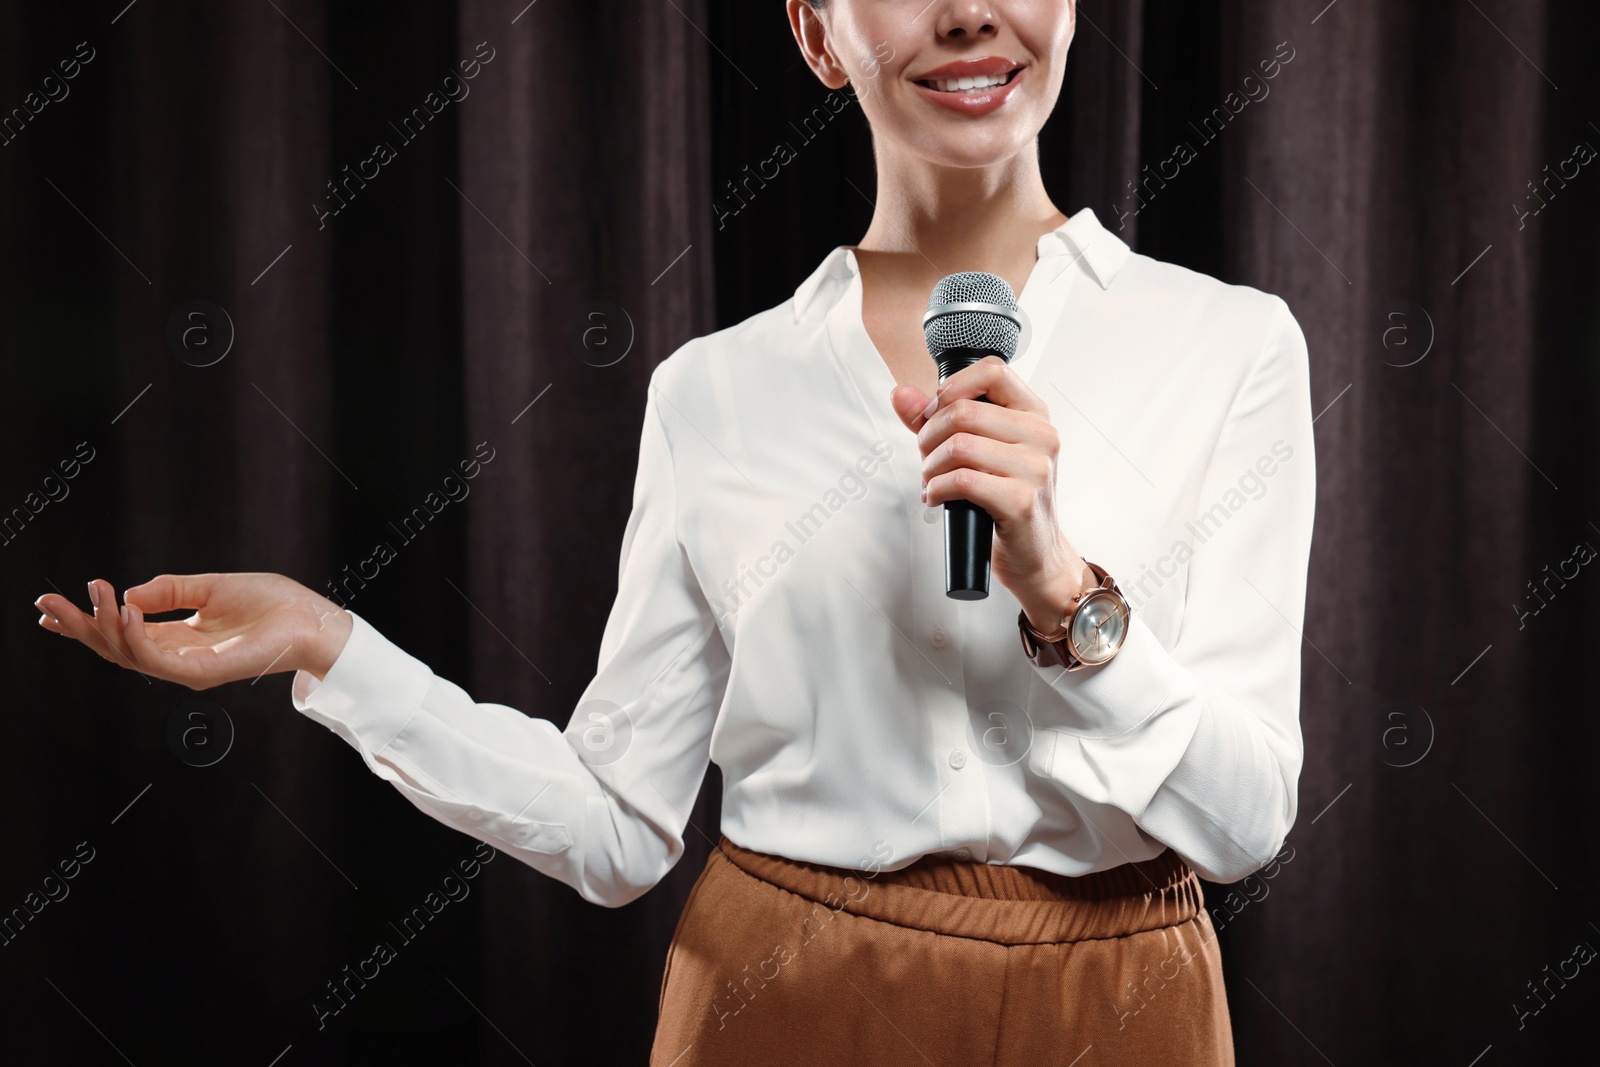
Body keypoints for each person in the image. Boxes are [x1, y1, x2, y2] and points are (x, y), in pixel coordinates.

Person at [33, 1, 1315, 1063]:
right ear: (817, 33)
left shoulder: (1228, 347)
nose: (970, 12)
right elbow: (614, 826)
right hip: (786, 998)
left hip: (1120, 1008)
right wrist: (331, 646)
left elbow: (1247, 818)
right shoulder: (716, 392)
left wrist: (1059, 588)